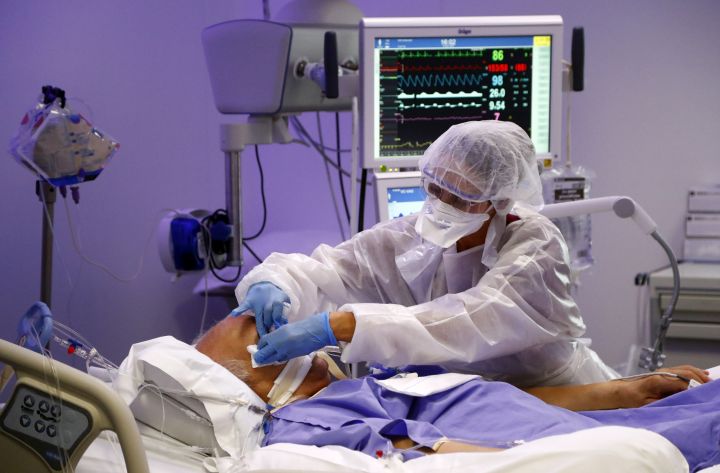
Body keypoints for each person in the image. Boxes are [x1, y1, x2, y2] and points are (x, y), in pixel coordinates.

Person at [235, 120, 615, 387]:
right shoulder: (414, 235)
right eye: (435, 189)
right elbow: (331, 266)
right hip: (469, 396)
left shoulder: (535, 244)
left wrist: (338, 326)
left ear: (499, 200)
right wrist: (275, 282)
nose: (440, 205)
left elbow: (469, 321)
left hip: (553, 392)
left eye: (460, 198)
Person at [194, 314, 717, 471]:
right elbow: (414, 449)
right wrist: (558, 460)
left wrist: (623, 392)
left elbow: (491, 399)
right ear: (255, 377)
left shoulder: (374, 379)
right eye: (262, 331)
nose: (285, 324)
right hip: (578, 447)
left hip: (600, 424)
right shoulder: (303, 420)